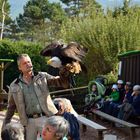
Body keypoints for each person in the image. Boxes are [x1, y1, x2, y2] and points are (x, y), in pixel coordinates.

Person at [1, 54, 70, 140]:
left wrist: (64, 72)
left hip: (46, 117)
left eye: (29, 62)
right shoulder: (14, 85)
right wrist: (4, 128)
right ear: (19, 68)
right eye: (25, 63)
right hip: (28, 122)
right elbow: (10, 108)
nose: (28, 64)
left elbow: (61, 82)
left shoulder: (42, 76)